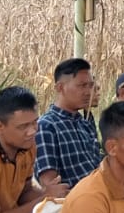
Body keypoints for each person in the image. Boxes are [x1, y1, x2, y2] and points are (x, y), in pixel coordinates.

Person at [34, 57, 101, 193]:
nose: (88, 92)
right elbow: (51, 186)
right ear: (60, 87)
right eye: (82, 86)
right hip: (73, 201)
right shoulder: (46, 127)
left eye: (90, 86)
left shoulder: (85, 124)